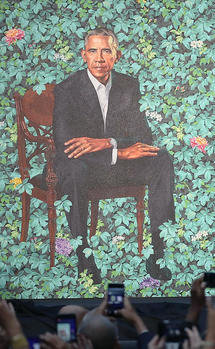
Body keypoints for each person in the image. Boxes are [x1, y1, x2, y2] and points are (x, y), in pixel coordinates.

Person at [53, 27, 175, 283]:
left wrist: (106, 143)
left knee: (161, 159)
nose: (99, 58)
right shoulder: (67, 89)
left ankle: (157, 253)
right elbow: (67, 145)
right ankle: (84, 257)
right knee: (74, 169)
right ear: (83, 55)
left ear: (116, 56)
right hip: (83, 165)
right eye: (93, 51)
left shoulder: (129, 85)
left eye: (106, 51)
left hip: (116, 162)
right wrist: (118, 152)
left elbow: (143, 136)